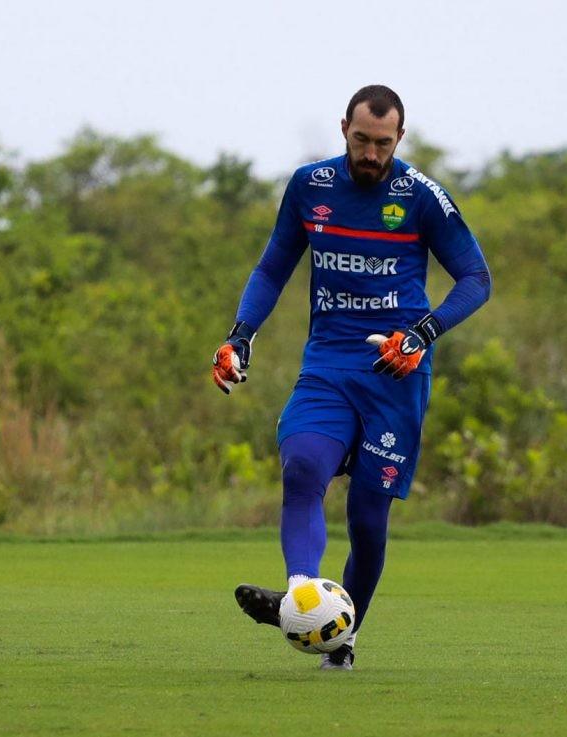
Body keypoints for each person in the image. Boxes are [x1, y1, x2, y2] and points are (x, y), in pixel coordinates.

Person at [212, 84, 491, 670]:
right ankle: (301, 596)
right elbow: (272, 267)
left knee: (367, 519)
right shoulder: (309, 186)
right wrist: (241, 333)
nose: (370, 153)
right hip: (329, 362)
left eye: (382, 143)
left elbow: (475, 278)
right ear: (344, 129)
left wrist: (423, 332)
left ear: (400, 138)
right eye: (361, 139)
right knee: (304, 466)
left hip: (396, 370)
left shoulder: (420, 196)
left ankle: (341, 639)